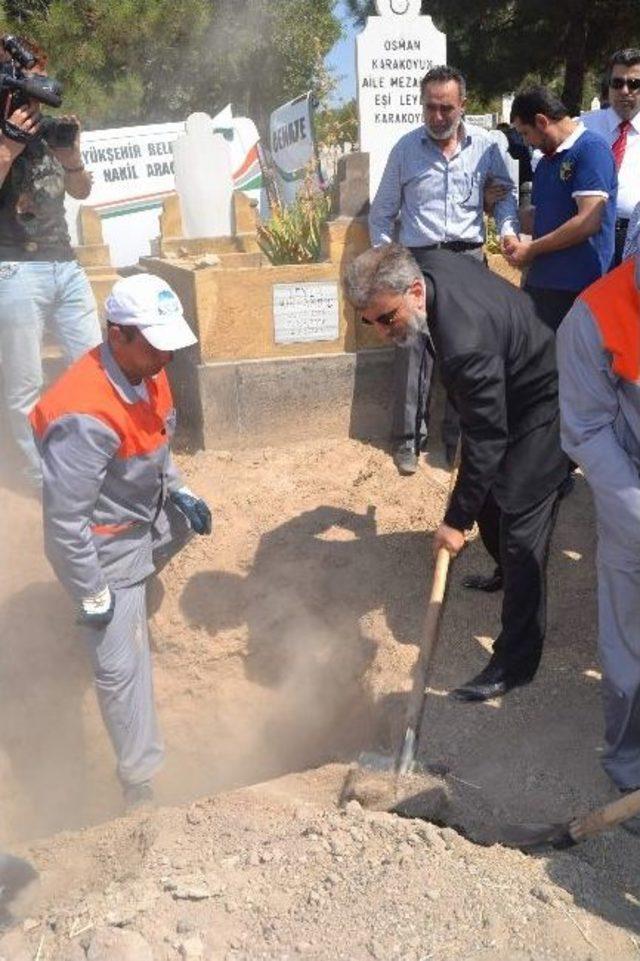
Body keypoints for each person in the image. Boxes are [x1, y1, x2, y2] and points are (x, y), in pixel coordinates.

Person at [344, 244, 568, 702]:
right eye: (371, 322)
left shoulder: (464, 341)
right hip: (506, 376)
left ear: (415, 292)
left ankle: (516, 660)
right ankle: (505, 571)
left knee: (522, 528)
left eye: (387, 319)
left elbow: (487, 440)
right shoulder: (422, 266)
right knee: (487, 499)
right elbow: (483, 430)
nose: (383, 332)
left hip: (548, 398)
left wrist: (453, 523)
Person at [30, 274, 212, 808]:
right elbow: (64, 528)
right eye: (156, 344)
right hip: (104, 547)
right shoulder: (83, 416)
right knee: (121, 666)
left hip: (145, 513)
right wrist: (92, 594)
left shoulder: (149, 368)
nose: (166, 358)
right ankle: (139, 784)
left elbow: (154, 439)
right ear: (117, 335)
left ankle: (133, 582)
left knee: (190, 522)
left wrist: (178, 488)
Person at [369, 65, 519, 474]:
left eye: (446, 108)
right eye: (430, 107)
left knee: (466, 351)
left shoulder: (487, 147)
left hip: (469, 259)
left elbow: (504, 198)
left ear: (463, 106)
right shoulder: (405, 149)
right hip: (419, 260)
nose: (437, 116)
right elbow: (382, 214)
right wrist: (389, 264)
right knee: (412, 348)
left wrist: (507, 230)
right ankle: (406, 441)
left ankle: (454, 441)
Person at [0, 36, 101, 490]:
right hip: (14, 268)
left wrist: (73, 160)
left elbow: (82, 192)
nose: (37, 87)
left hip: (66, 265)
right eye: (28, 79)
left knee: (93, 370)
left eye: (41, 76)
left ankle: (92, 467)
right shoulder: (5, 127)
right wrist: (7, 146)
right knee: (24, 389)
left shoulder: (56, 127)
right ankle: (40, 485)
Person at [557, 253, 640, 802]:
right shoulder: (593, 316)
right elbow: (585, 428)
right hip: (629, 495)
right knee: (629, 652)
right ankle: (629, 768)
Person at [504, 86, 617, 333]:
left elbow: (588, 221)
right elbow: (539, 217)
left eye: (525, 132)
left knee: (573, 368)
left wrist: (532, 249)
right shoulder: (546, 162)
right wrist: (499, 210)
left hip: (579, 288)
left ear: (542, 121)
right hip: (543, 285)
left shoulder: (591, 150)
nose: (526, 142)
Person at [582, 49, 640, 266]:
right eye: (617, 83)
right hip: (588, 236)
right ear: (608, 87)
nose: (625, 90)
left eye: (634, 84)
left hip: (635, 237)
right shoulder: (582, 128)